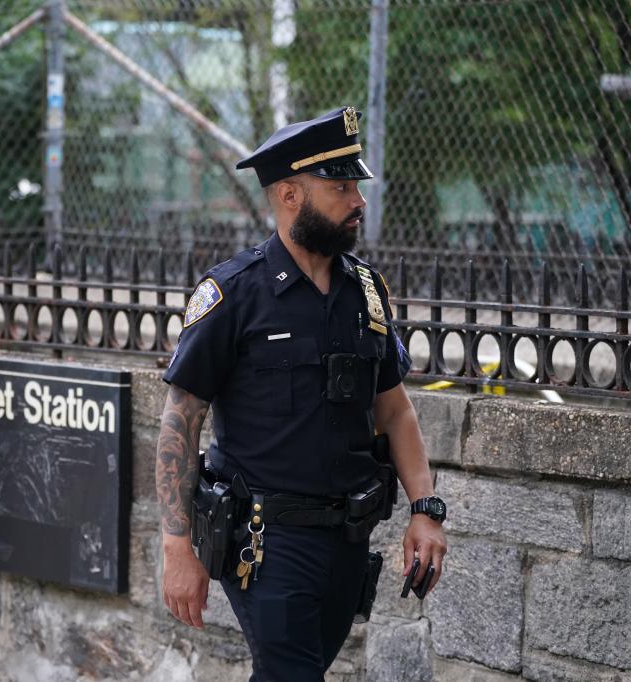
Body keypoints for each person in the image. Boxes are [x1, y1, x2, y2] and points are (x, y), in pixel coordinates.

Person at [154, 106, 448, 681]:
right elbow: (180, 420)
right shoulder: (232, 294)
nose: (358, 202)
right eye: (339, 187)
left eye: (355, 186)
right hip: (265, 544)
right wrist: (175, 547)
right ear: (290, 195)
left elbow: (395, 409)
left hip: (346, 540)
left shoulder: (366, 291)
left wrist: (425, 509)